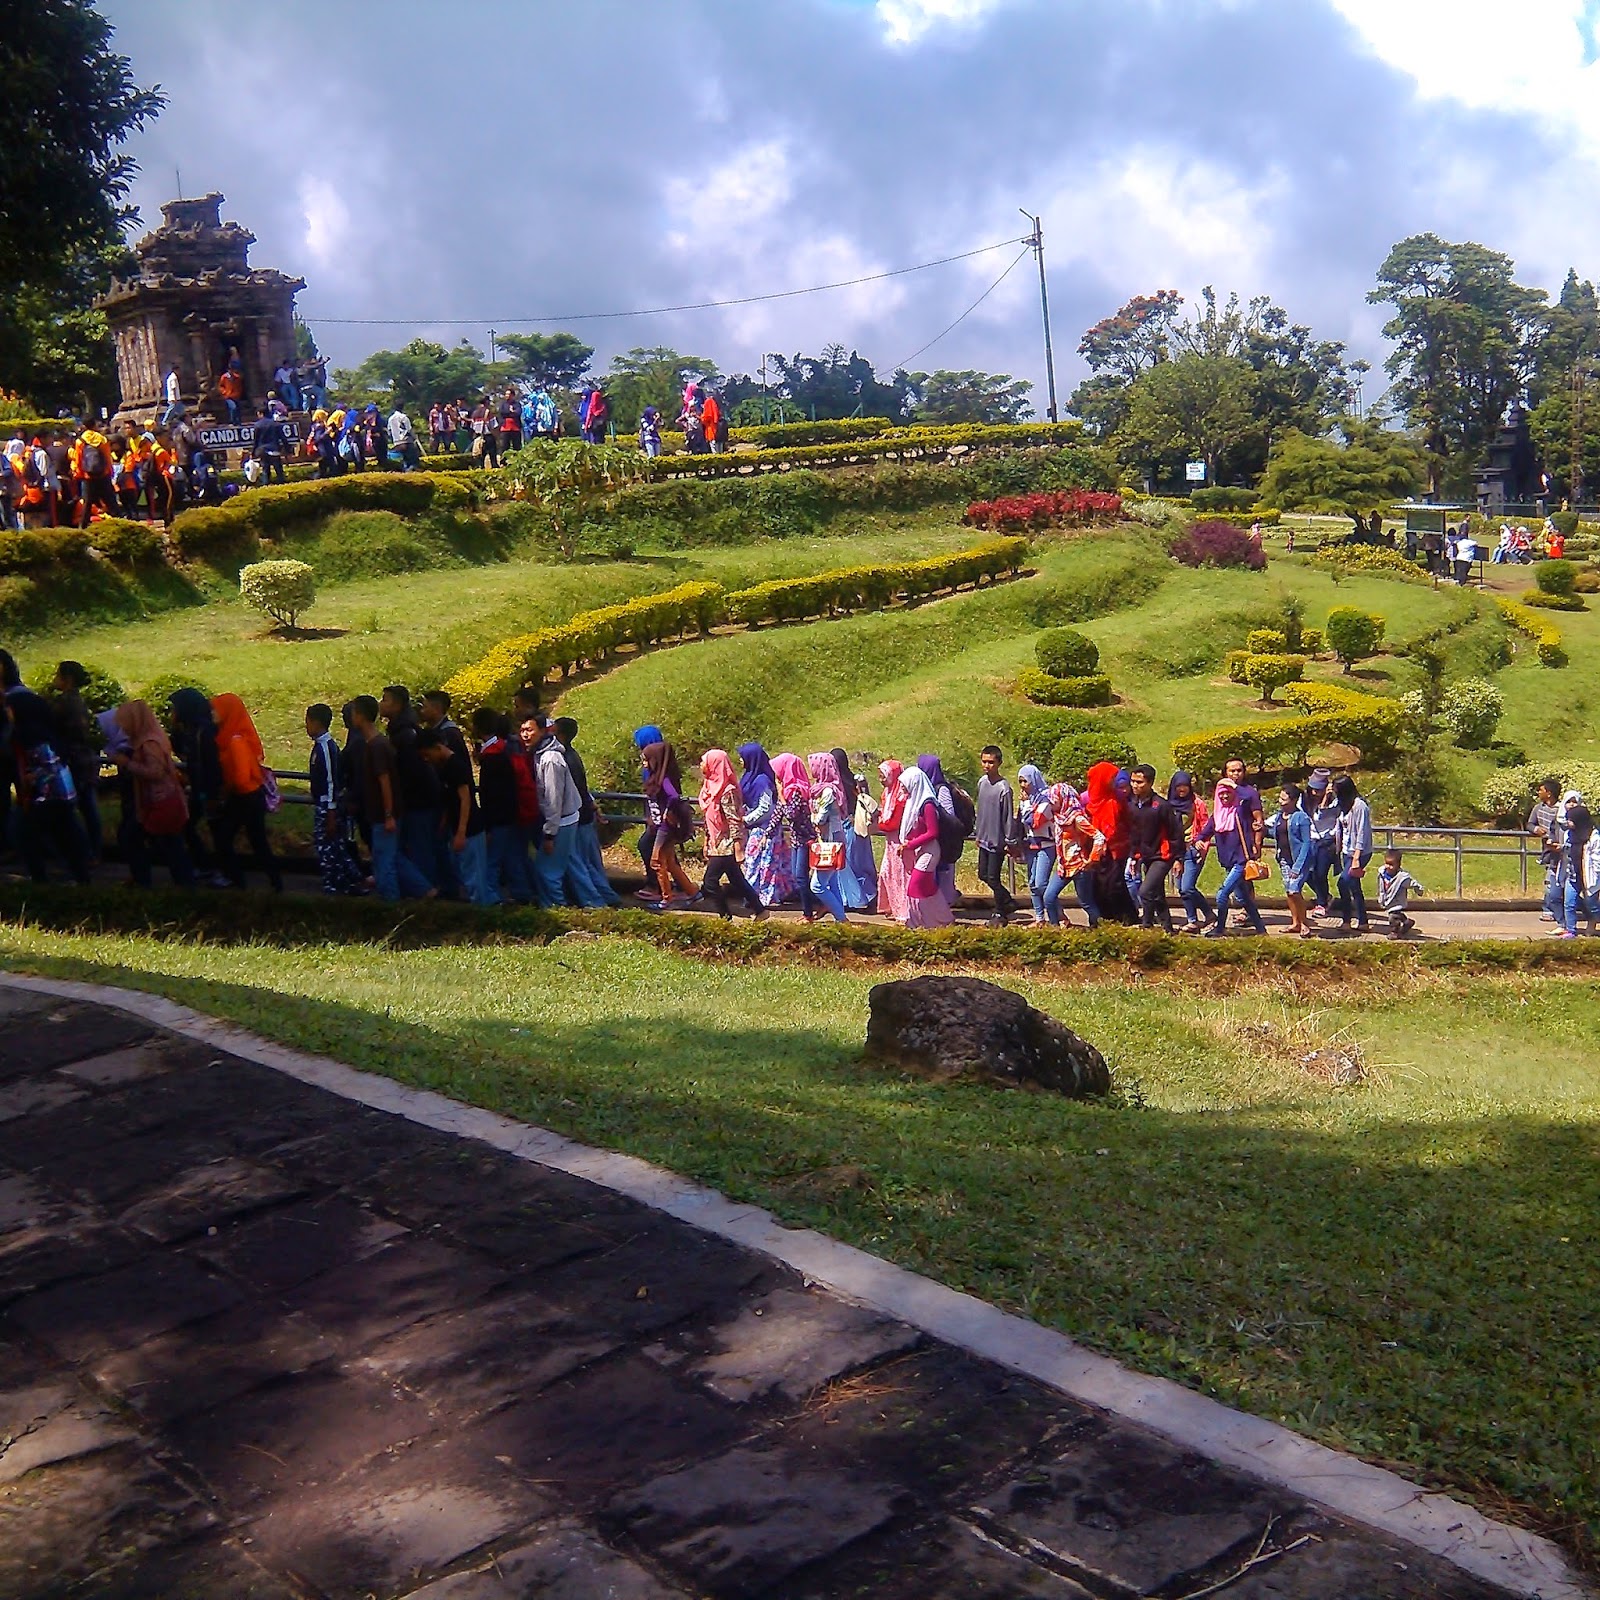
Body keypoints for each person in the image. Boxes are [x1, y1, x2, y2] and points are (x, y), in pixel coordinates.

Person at [1, 649, 90, 883]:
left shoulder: (31, 732)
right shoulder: (28, 723)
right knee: (59, 830)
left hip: (49, 791)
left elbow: (49, 762)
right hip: (49, 791)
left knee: (27, 831)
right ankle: (76, 876)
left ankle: (51, 879)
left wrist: (34, 778)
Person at [348, 695, 433, 902]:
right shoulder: (379, 743)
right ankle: (425, 890)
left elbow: (384, 781)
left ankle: (390, 904)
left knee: (384, 861)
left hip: (383, 814)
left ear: (359, 716)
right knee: (393, 856)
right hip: (386, 812)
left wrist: (388, 814)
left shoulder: (376, 746)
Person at [110, 698, 194, 888]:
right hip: (162, 801)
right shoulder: (152, 738)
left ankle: (146, 882)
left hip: (160, 803)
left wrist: (127, 764)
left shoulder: (148, 743)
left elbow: (156, 772)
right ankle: (183, 885)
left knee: (135, 838)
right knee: (169, 846)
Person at [211, 693, 283, 892]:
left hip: (245, 796)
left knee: (227, 838)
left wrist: (228, 788)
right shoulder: (231, 735)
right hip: (247, 796)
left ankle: (239, 881)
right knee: (256, 841)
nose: (212, 714)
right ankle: (274, 883)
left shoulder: (235, 740)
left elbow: (241, 776)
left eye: (215, 709)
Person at [418, 729, 494, 906]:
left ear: (437, 747)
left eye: (427, 754)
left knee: (475, 877)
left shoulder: (455, 766)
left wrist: (461, 832)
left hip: (470, 828)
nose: (426, 759)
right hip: (457, 827)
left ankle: (482, 913)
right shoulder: (443, 767)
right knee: (466, 874)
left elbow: (465, 799)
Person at [381, 684, 443, 892]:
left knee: (420, 849)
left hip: (418, 802)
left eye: (386, 700)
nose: (382, 704)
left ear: (397, 705)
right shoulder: (404, 729)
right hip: (417, 800)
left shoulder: (405, 734)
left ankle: (427, 891)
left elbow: (411, 772)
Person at [553, 716, 619, 908]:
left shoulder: (563, 759)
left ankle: (595, 903)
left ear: (561, 735)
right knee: (591, 863)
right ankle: (608, 897)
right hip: (584, 815)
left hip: (576, 818)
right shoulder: (573, 756)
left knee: (579, 864)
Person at [696, 749, 767, 918]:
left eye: (703, 761)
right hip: (716, 842)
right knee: (737, 880)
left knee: (710, 883)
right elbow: (709, 819)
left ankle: (725, 917)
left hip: (726, 844)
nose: (701, 765)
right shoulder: (708, 787)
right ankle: (760, 910)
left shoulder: (727, 791)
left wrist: (738, 846)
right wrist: (707, 841)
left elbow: (734, 819)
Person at [473, 707, 533, 905]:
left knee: (492, 861)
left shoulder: (492, 756)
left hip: (499, 818)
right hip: (515, 813)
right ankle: (523, 895)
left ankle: (491, 900)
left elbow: (491, 795)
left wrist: (488, 825)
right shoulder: (510, 747)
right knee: (514, 857)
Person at [166, 687, 226, 882]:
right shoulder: (192, 729)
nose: (172, 713)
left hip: (208, 792)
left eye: (175, 709)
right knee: (189, 825)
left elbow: (210, 765)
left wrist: (212, 795)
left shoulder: (204, 732)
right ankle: (207, 866)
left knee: (214, 831)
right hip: (200, 790)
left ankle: (219, 871)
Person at [1196, 776, 1267, 937]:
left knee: (1222, 894)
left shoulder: (1240, 812)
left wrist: (1233, 785)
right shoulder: (1217, 817)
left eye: (1228, 793)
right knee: (1244, 899)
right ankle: (1261, 929)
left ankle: (1220, 928)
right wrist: (1199, 841)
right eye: (1221, 793)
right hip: (1227, 863)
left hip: (1241, 861)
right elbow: (1203, 834)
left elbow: (1248, 797)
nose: (1225, 796)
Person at [306, 702, 364, 895]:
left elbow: (331, 781)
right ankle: (351, 881)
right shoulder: (321, 746)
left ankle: (336, 884)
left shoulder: (325, 748)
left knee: (327, 848)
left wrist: (330, 810)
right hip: (325, 803)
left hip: (327, 805)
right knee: (335, 847)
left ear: (316, 723)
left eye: (308, 722)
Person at [49, 661, 103, 861]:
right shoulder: (78, 701)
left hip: (73, 758)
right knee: (88, 807)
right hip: (84, 757)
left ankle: (84, 852)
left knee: (75, 809)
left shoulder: (64, 702)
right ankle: (93, 851)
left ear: (67, 679)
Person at [641, 738, 698, 907]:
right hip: (661, 827)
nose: (644, 763)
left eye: (646, 760)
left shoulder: (663, 780)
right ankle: (693, 892)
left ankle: (667, 898)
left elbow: (674, 796)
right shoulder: (656, 777)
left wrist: (666, 812)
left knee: (656, 861)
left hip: (665, 828)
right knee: (670, 863)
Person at [1126, 763, 1182, 932]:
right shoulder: (1132, 804)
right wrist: (1133, 856)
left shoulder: (1161, 806)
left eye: (1139, 782)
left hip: (1162, 856)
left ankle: (1147, 925)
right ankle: (1168, 929)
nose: (1135, 785)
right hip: (1145, 854)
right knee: (1157, 895)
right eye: (1133, 781)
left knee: (1145, 891)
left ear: (1150, 783)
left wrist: (1178, 859)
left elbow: (1175, 833)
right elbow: (1134, 834)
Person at [898, 765, 953, 930]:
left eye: (904, 784)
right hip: (922, 849)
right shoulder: (915, 802)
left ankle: (918, 922)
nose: (902, 787)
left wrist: (909, 844)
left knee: (915, 885)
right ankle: (943, 919)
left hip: (929, 851)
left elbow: (932, 832)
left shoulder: (927, 804)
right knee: (928, 887)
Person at [737, 742, 792, 909]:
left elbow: (766, 807)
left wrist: (746, 820)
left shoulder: (762, 781)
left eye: (742, 757)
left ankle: (762, 897)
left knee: (762, 863)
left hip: (765, 829)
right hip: (756, 827)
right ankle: (757, 895)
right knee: (758, 862)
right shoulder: (750, 776)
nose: (740, 760)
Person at [773, 752, 822, 921]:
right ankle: (818, 904)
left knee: (801, 876)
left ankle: (808, 913)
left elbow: (792, 814)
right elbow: (778, 814)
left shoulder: (796, 792)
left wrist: (781, 795)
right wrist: (767, 835)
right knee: (796, 875)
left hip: (805, 839)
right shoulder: (787, 790)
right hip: (795, 839)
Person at [806, 751, 853, 922]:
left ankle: (842, 919)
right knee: (832, 884)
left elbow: (820, 818)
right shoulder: (823, 788)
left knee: (817, 886)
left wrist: (812, 817)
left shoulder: (827, 791)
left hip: (831, 842)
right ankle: (841, 921)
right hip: (829, 840)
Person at [974, 744, 1017, 926]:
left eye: (991, 762)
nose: (986, 766)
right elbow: (981, 810)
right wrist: (978, 833)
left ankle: (1000, 911)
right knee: (983, 874)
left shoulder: (1003, 788)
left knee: (993, 876)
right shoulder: (982, 783)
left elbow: (1007, 817)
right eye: (984, 761)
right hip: (983, 838)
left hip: (997, 840)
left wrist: (1009, 840)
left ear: (999, 763)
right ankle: (1006, 899)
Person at [833, 745, 878, 904]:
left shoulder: (835, 786)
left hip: (847, 828)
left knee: (849, 864)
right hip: (859, 826)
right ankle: (868, 894)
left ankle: (854, 899)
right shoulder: (855, 780)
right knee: (860, 862)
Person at [1168, 770, 1211, 932]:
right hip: (1176, 851)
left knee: (1187, 887)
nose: (1182, 789)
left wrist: (1202, 843)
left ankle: (1205, 915)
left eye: (1185, 786)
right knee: (1182, 888)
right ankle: (1194, 920)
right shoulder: (1168, 805)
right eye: (1178, 786)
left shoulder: (1197, 804)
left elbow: (1207, 827)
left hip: (1192, 849)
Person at [1333, 773, 1373, 934]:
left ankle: (1346, 920)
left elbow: (1362, 833)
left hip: (1360, 852)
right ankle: (1362, 921)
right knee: (1354, 887)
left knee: (1343, 882)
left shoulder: (1359, 806)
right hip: (1346, 851)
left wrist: (1356, 858)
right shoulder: (1341, 804)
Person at [1273, 783, 1315, 936]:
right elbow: (1277, 833)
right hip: (1284, 859)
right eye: (1280, 798)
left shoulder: (1301, 817)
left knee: (1294, 890)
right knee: (1289, 892)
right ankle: (1295, 923)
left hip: (1299, 861)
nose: (1280, 801)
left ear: (1294, 800)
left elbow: (1306, 843)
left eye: (1284, 799)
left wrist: (1298, 866)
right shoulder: (1279, 816)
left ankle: (1304, 923)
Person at [1015, 764, 1053, 926]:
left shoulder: (1045, 799)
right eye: (1020, 781)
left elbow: (1033, 822)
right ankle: (1039, 918)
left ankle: (1058, 915)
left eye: (1026, 781)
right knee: (1032, 883)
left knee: (1041, 883)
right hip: (1031, 845)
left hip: (1046, 845)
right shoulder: (1028, 801)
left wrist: (1026, 806)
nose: (1023, 785)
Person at [874, 758, 910, 923]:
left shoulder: (901, 797)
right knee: (886, 873)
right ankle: (890, 906)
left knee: (898, 875)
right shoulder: (886, 794)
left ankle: (903, 910)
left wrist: (882, 824)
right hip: (889, 842)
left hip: (898, 840)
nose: (881, 780)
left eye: (884, 776)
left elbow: (893, 822)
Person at [1528, 776, 1565, 922]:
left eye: (1541, 790)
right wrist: (1536, 829)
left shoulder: (1561, 809)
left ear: (1549, 793)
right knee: (1551, 880)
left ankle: (1553, 910)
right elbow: (1530, 824)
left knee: (1556, 881)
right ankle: (1550, 910)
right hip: (1548, 851)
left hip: (1561, 849)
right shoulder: (1538, 808)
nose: (1538, 792)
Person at [1304, 769, 1340, 919]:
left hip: (1327, 841)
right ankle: (1325, 896)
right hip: (1310, 839)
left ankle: (1321, 903)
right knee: (1305, 873)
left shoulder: (1336, 802)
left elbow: (1321, 815)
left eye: (1318, 789)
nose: (1314, 793)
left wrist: (1326, 797)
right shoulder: (1304, 800)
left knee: (1320, 873)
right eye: (1312, 789)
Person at [1378, 848, 1425, 939]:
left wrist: (1418, 888)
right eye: (1387, 863)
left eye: (1391, 865)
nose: (1388, 867)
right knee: (1397, 914)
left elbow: (1411, 882)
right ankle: (1407, 922)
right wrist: (1381, 897)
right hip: (1388, 899)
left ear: (1398, 865)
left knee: (1393, 917)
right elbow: (1381, 887)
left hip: (1397, 901)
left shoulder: (1401, 878)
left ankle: (1395, 931)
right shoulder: (1382, 874)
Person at [388, 404, 421, 471]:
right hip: (405, 441)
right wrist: (415, 437)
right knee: (413, 460)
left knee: (403, 461)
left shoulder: (390, 419)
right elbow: (409, 429)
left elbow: (389, 431)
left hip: (397, 443)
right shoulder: (403, 417)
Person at [701, 389, 723, 454]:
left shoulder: (708, 402)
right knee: (719, 448)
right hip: (717, 427)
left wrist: (701, 417)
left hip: (711, 427)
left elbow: (707, 416)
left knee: (714, 447)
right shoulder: (715, 402)